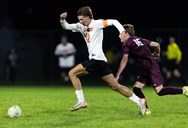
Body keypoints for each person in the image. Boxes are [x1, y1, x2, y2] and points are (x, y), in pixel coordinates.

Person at [60, 6, 146, 114]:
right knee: (115, 86)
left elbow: (114, 21)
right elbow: (66, 26)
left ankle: (81, 101)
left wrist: (122, 32)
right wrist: (62, 20)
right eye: (79, 19)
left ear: (88, 17)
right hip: (100, 61)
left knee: (72, 73)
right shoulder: (80, 26)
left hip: (96, 60)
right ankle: (140, 101)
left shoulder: (97, 23)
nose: (80, 21)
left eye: (82, 19)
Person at [115, 24, 188, 115]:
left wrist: (117, 75)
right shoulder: (139, 39)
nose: (119, 36)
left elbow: (124, 59)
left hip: (151, 68)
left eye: (120, 33)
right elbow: (156, 44)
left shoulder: (127, 43)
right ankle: (146, 110)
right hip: (147, 68)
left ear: (126, 33)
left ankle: (184, 90)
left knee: (160, 91)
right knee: (136, 89)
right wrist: (157, 54)